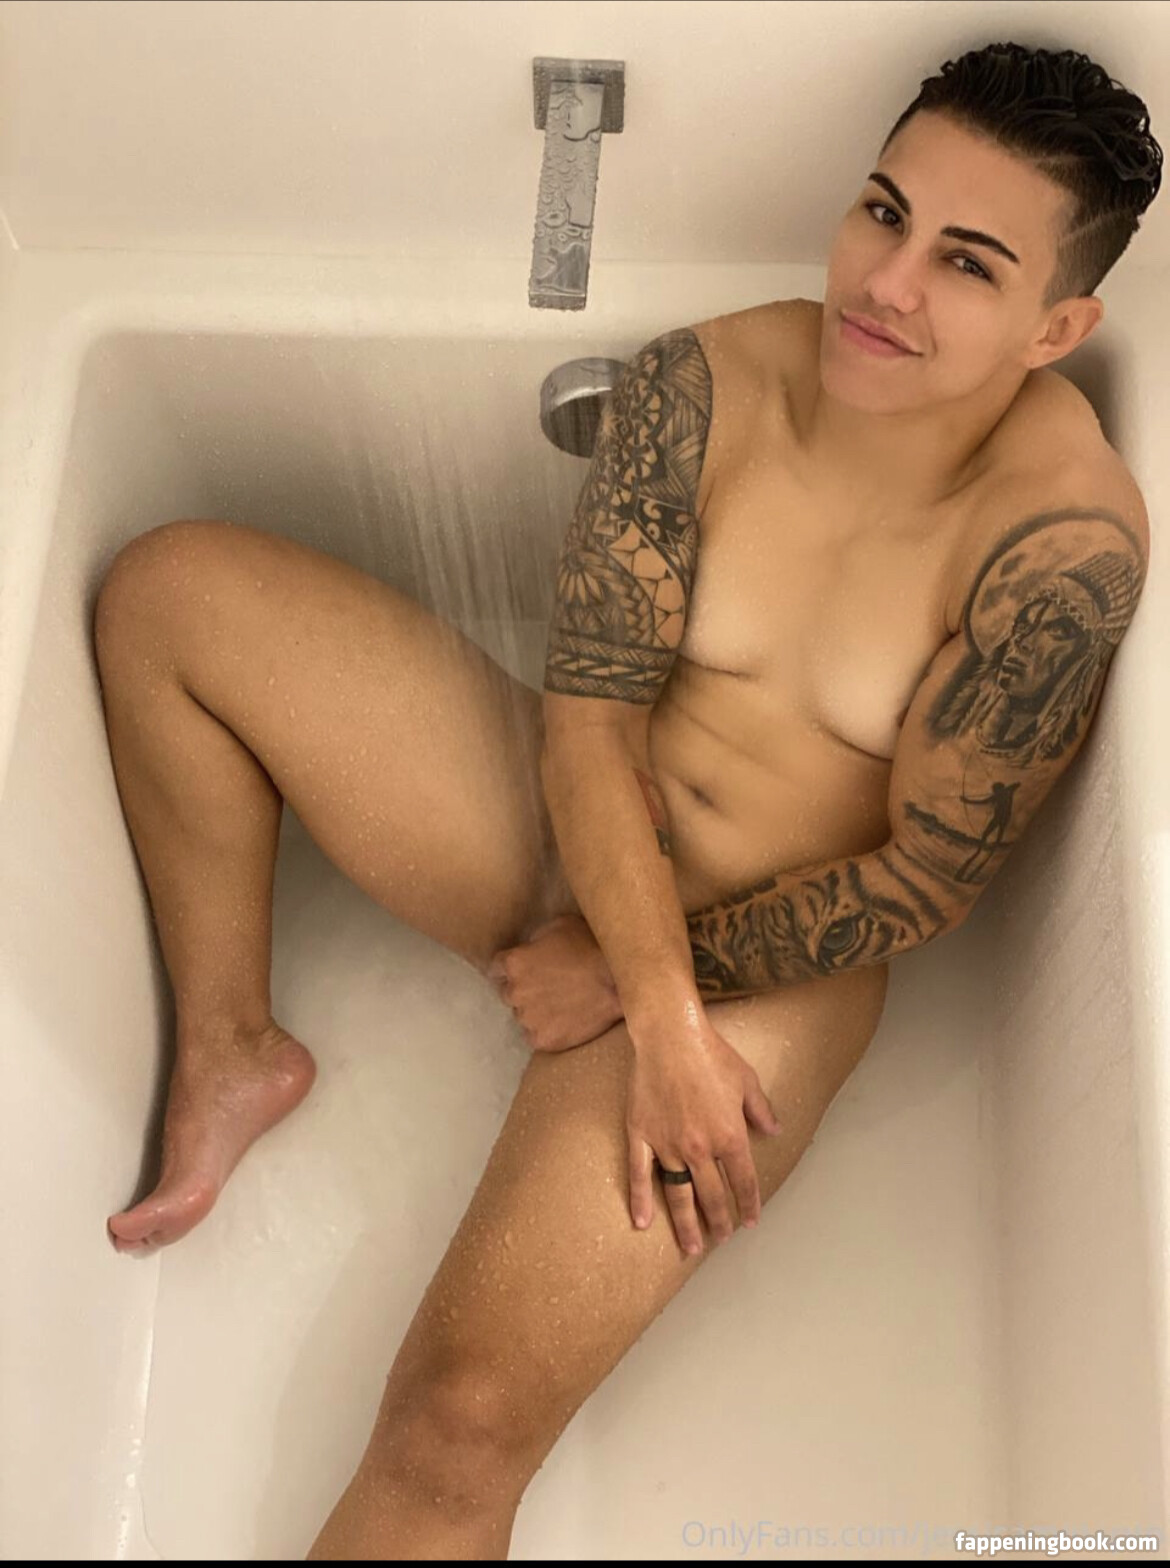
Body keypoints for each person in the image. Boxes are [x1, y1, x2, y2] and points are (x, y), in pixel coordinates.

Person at [91, 40, 1157, 1560]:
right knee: (171, 596)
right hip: (580, 837)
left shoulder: (1058, 549)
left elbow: (923, 881)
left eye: (965, 262)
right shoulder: (699, 385)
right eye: (883, 211)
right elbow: (591, 718)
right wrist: (635, 980)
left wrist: (656, 991)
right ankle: (233, 1049)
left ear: (1057, 327)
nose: (885, 283)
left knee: (455, 1432)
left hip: (774, 970)